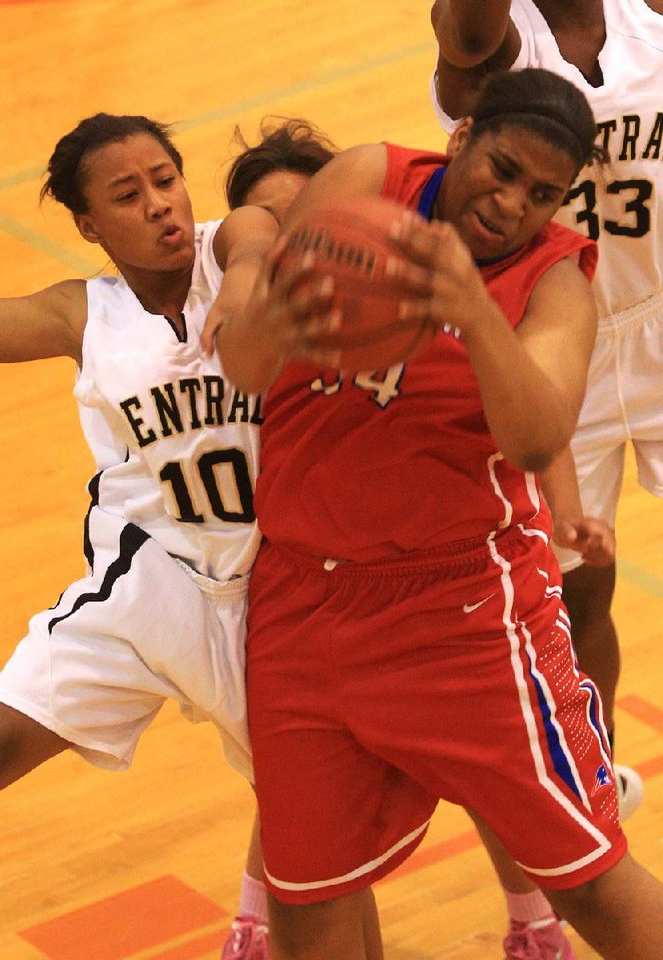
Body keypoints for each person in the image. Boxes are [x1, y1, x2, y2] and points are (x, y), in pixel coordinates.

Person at [216, 67, 663, 960]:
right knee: (309, 896)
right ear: (460, 139)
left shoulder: (556, 278)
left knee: (586, 880)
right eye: (500, 170)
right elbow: (248, 365)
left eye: (542, 193)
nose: (511, 205)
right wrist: (284, 301)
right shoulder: (366, 184)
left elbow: (538, 440)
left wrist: (470, 313)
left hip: (464, 612)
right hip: (302, 602)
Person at [0, 51, 282, 955]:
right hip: (154, 586)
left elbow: (253, 231)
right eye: (128, 196)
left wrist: (247, 284)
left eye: (165, 180)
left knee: (317, 813)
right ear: (91, 226)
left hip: (281, 594)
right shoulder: (80, 314)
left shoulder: (233, 242)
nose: (161, 204)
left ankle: (260, 922)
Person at [431, 2, 663, 954]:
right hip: (555, 330)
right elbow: (462, 36)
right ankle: (592, 776)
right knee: (577, 592)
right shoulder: (495, 35)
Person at [220, 116, 336, 960]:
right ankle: (255, 922)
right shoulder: (239, 327)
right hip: (271, 584)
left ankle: (534, 921)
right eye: (268, 224)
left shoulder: (392, 311)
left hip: (389, 579)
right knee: (300, 772)